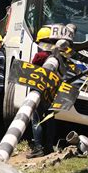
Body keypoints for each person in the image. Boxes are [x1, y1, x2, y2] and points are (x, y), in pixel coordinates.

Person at [27, 26, 57, 159]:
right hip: (52, 93)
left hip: (39, 92)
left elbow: (32, 70)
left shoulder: (39, 56)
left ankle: (38, 148)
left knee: (36, 120)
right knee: (50, 119)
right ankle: (49, 147)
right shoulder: (57, 57)